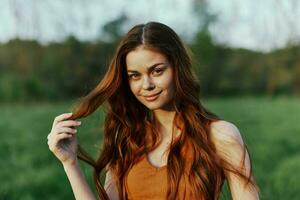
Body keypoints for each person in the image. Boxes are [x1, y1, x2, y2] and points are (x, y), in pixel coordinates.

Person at [47, 21, 259, 200]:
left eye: (157, 71)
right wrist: (70, 163)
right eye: (135, 75)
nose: (146, 85)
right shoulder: (128, 141)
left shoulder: (220, 136)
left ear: (178, 67)